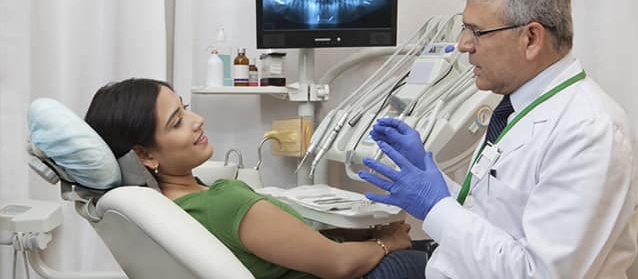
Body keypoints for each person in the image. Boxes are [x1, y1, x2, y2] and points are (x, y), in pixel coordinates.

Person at [358, 0, 638, 278]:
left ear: (531, 38)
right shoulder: (517, 107)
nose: (463, 45)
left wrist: (434, 205)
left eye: (477, 32)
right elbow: (495, 218)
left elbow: (538, 273)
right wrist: (435, 182)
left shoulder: (591, 133)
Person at [84, 78, 427, 279]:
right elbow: (338, 264)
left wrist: (367, 233)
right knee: (446, 256)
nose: (197, 119)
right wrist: (388, 244)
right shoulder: (224, 202)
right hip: (349, 273)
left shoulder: (172, 207)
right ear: (144, 155)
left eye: (185, 107)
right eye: (177, 121)